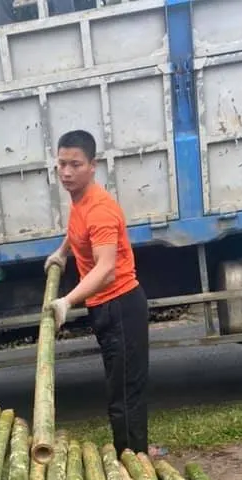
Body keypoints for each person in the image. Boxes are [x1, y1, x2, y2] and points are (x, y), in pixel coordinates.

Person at [45, 129, 160, 457]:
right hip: (105, 307)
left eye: (75, 165)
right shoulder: (79, 200)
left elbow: (106, 268)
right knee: (120, 388)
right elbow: (76, 231)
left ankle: (133, 461)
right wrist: (62, 252)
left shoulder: (100, 209)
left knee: (124, 394)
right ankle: (135, 451)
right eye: (62, 164)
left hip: (121, 306)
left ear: (92, 165)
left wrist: (67, 301)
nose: (66, 172)